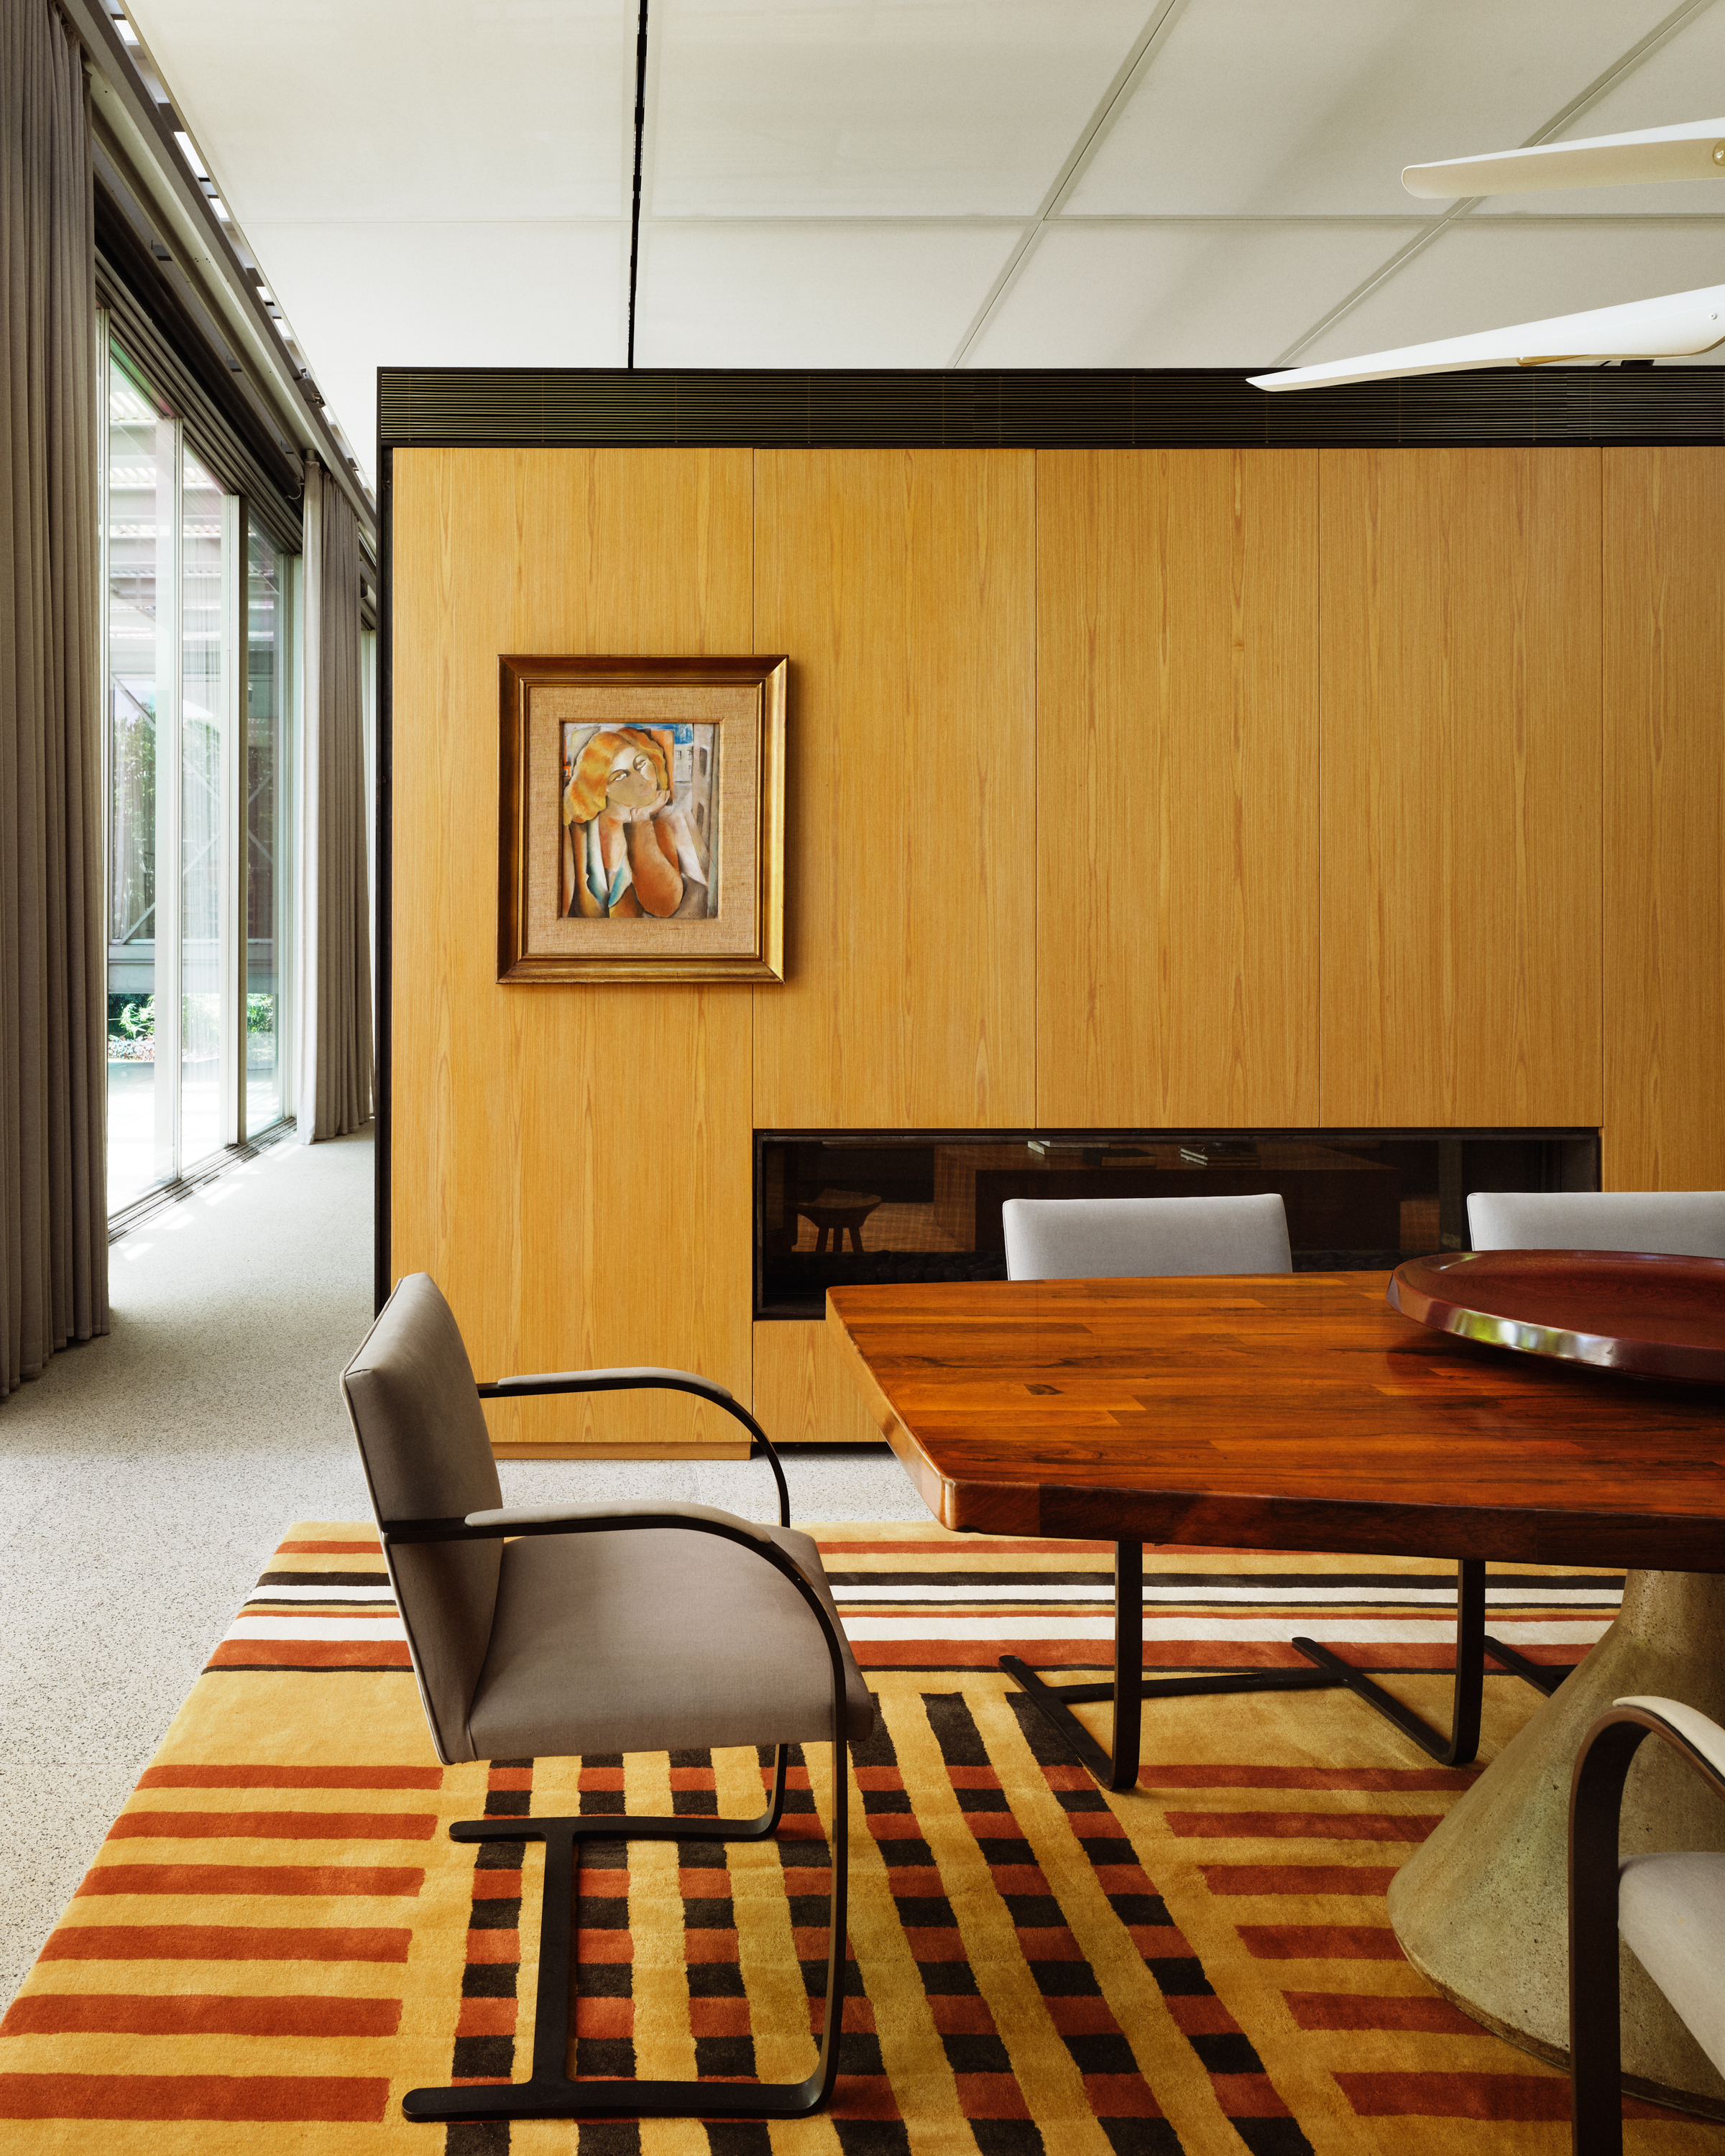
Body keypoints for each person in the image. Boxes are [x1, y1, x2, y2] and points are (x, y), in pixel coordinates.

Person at [561, 727, 711, 919]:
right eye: (621, 776)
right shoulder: (576, 832)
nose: (641, 780)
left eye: (641, 764)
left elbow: (665, 906)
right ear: (600, 786)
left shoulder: (658, 830)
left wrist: (640, 819)